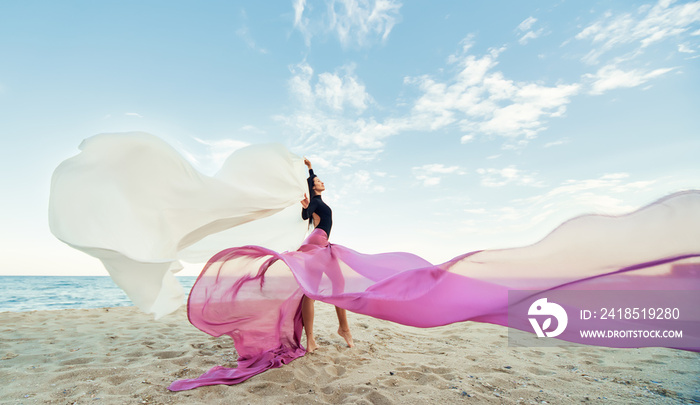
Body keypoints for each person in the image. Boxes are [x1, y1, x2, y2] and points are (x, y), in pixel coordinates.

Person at [299, 157, 354, 352]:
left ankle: (336, 331)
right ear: (314, 188)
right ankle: (340, 330)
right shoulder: (314, 201)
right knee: (322, 288)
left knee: (318, 289)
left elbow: (311, 180)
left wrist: (310, 168)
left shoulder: (318, 201)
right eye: (318, 181)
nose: (322, 182)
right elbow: (306, 215)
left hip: (320, 242)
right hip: (318, 243)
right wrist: (306, 207)